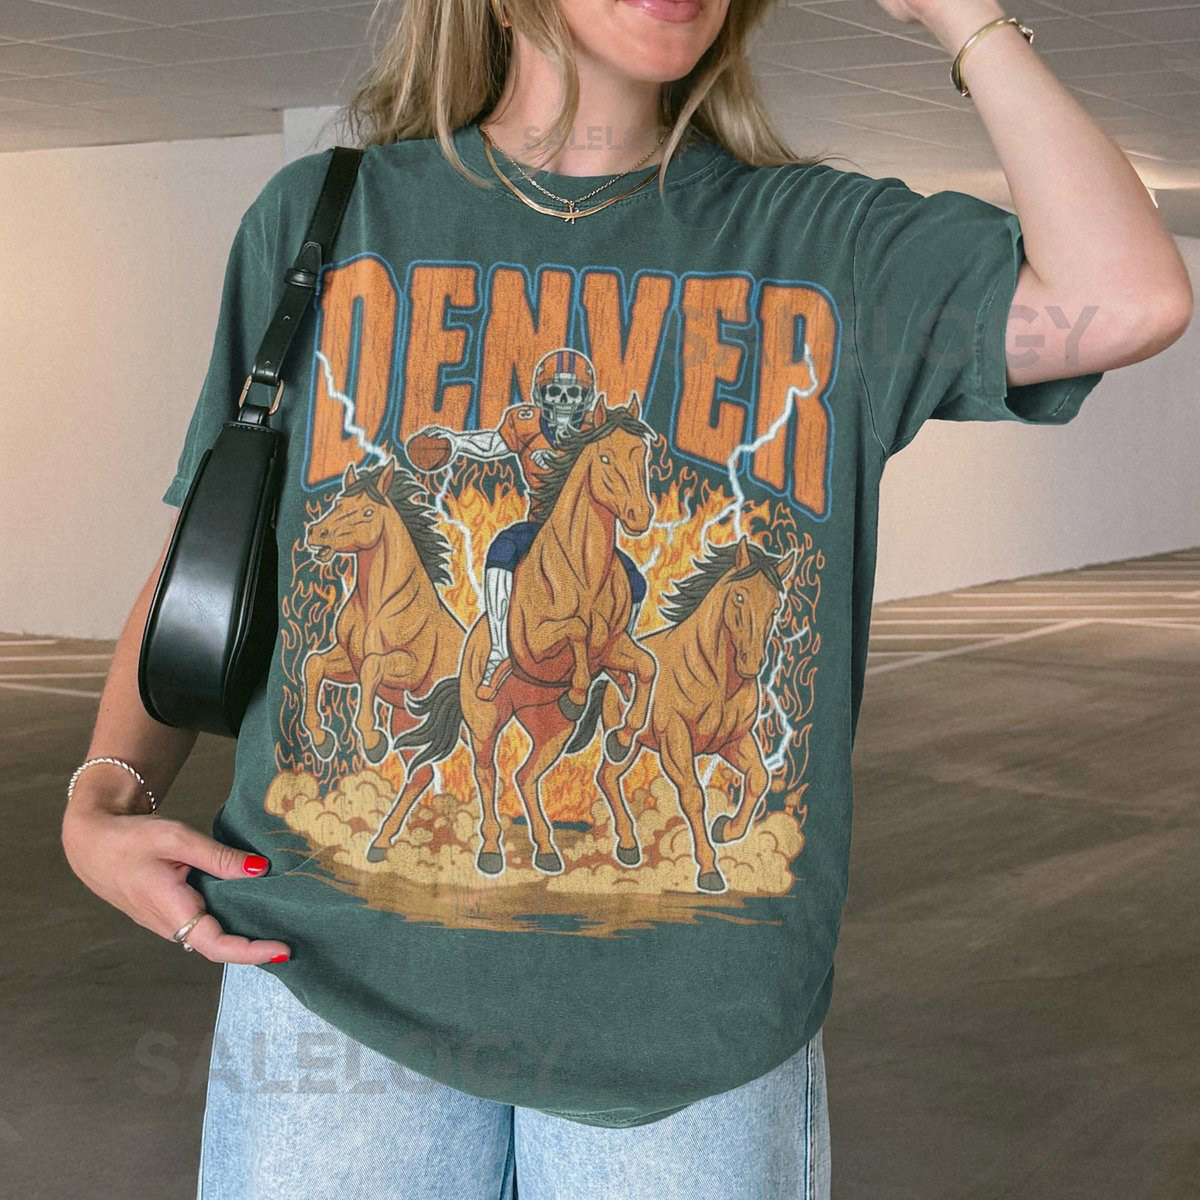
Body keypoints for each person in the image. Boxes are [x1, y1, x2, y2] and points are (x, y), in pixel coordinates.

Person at [60, 0, 1192, 1194]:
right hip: (327, 990)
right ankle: (484, 672)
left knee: (637, 603)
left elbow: (1130, 298)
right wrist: (103, 792)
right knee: (501, 570)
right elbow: (211, 546)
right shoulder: (326, 217)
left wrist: (959, 13)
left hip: (688, 1038)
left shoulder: (825, 242)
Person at [408, 345, 648, 696]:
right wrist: (455, 443)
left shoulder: (596, 429)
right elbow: (492, 444)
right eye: (554, 392)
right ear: (540, 394)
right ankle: (498, 648)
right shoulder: (526, 424)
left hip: (587, 537)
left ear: (586, 397)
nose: (563, 401)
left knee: (635, 584)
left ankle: (615, 648)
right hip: (538, 528)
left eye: (573, 393)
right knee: (501, 553)